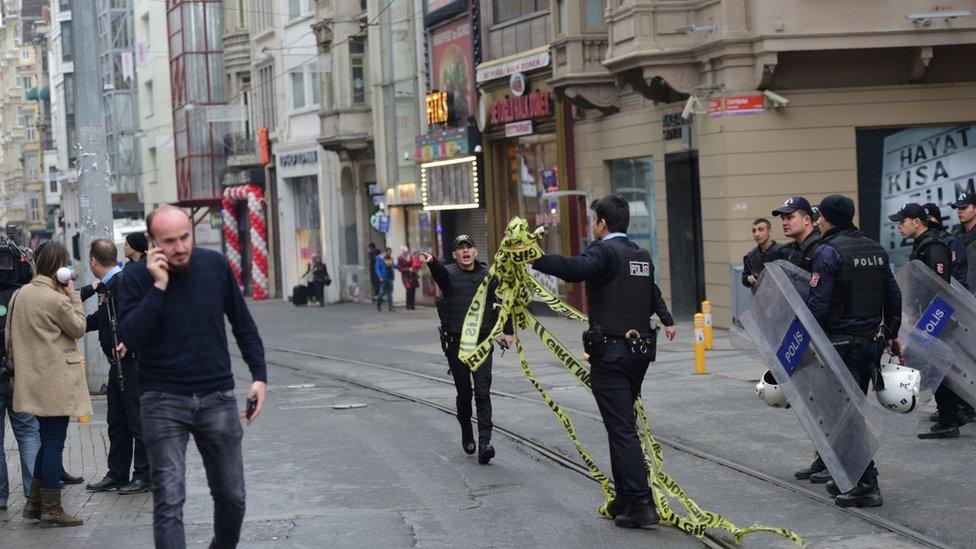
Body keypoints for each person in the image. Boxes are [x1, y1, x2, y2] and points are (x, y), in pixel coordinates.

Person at [117, 206, 267, 548]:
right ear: (152, 242)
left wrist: (259, 375)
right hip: (162, 401)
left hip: (217, 397)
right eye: (169, 241)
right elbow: (130, 336)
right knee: (169, 500)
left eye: (185, 237)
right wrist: (158, 288)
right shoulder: (136, 278)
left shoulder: (214, 266)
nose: (180, 247)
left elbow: (242, 324)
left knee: (233, 496)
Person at [531, 196, 677, 529]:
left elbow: (574, 269)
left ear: (602, 224)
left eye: (594, 221)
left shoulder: (603, 251)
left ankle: (641, 502)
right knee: (620, 425)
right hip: (639, 354)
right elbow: (651, 291)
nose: (592, 226)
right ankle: (626, 496)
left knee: (622, 429)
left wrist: (536, 258)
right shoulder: (640, 255)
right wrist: (667, 318)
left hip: (611, 353)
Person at [805, 195, 901, 508]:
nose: (817, 222)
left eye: (820, 217)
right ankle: (850, 475)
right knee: (852, 410)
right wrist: (891, 334)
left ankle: (866, 484)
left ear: (830, 219)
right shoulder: (875, 248)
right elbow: (893, 294)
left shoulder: (828, 251)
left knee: (844, 415)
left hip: (841, 346)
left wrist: (807, 340)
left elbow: (819, 304)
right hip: (870, 344)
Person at [8, 242, 90, 527]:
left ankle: (34, 503)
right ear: (61, 269)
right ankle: (52, 509)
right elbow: (79, 327)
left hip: (31, 380)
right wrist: (73, 296)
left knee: (45, 440)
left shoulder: (20, 295)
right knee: (54, 442)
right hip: (55, 381)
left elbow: (9, 340)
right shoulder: (56, 300)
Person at [417, 235, 513, 465]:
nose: (466, 251)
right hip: (457, 343)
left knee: (482, 391)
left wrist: (507, 331)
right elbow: (440, 275)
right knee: (465, 393)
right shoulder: (448, 274)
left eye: (469, 247)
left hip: (482, 342)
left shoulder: (489, 275)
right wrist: (432, 262)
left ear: (475, 251)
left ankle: (484, 444)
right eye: (461, 249)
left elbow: (502, 303)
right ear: (455, 255)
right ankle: (466, 431)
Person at [80, 239, 150, 495]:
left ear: (92, 261)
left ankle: (144, 474)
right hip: (116, 364)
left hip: (130, 362)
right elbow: (101, 319)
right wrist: (75, 325)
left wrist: (131, 343)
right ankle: (117, 473)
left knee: (137, 420)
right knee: (117, 421)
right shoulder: (109, 285)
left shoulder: (123, 282)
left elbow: (140, 315)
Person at [922, 202, 976, 426]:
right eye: (958, 207)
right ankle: (958, 407)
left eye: (965, 206)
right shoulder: (955, 236)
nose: (960, 211)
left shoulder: (949, 241)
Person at [772, 196, 822, 272]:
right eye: (783, 218)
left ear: (806, 220)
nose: (784, 223)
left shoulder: (819, 248)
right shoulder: (795, 249)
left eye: (789, 217)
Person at [741, 218, 790, 290]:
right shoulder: (750, 256)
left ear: (769, 232)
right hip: (761, 298)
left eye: (760, 230)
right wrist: (749, 278)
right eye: (754, 231)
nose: (757, 234)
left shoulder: (783, 251)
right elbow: (744, 278)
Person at [396, 245, 420, 310]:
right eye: (404, 252)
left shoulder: (410, 256)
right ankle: (408, 305)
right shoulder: (400, 258)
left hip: (412, 275)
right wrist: (408, 269)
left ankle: (412, 305)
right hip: (405, 276)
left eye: (406, 251)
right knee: (408, 288)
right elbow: (399, 268)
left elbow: (413, 263)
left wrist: (414, 267)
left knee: (413, 289)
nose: (406, 253)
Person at [374, 247, 395, 312]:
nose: (389, 254)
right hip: (383, 278)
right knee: (382, 292)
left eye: (390, 253)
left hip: (390, 277)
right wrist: (380, 276)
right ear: (385, 252)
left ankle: (390, 307)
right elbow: (377, 268)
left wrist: (401, 267)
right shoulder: (379, 258)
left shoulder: (390, 258)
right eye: (388, 253)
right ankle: (378, 304)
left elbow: (393, 266)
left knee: (390, 293)